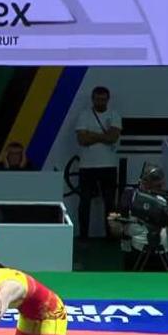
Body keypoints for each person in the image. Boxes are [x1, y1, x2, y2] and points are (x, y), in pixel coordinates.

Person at [107, 164, 168, 272]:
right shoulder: (130, 198)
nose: (158, 188)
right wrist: (115, 225)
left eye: (160, 185)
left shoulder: (167, 200)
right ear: (143, 183)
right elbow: (118, 230)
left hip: (161, 254)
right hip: (136, 254)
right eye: (154, 185)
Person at [73, 86, 121, 239]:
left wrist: (91, 134)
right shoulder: (84, 115)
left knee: (110, 203)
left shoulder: (114, 115)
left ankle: (111, 237)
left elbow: (113, 138)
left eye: (103, 99)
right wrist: (103, 136)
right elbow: (82, 140)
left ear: (108, 100)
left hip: (109, 166)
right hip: (87, 166)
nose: (100, 102)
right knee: (84, 202)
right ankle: (83, 236)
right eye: (98, 99)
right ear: (93, 99)